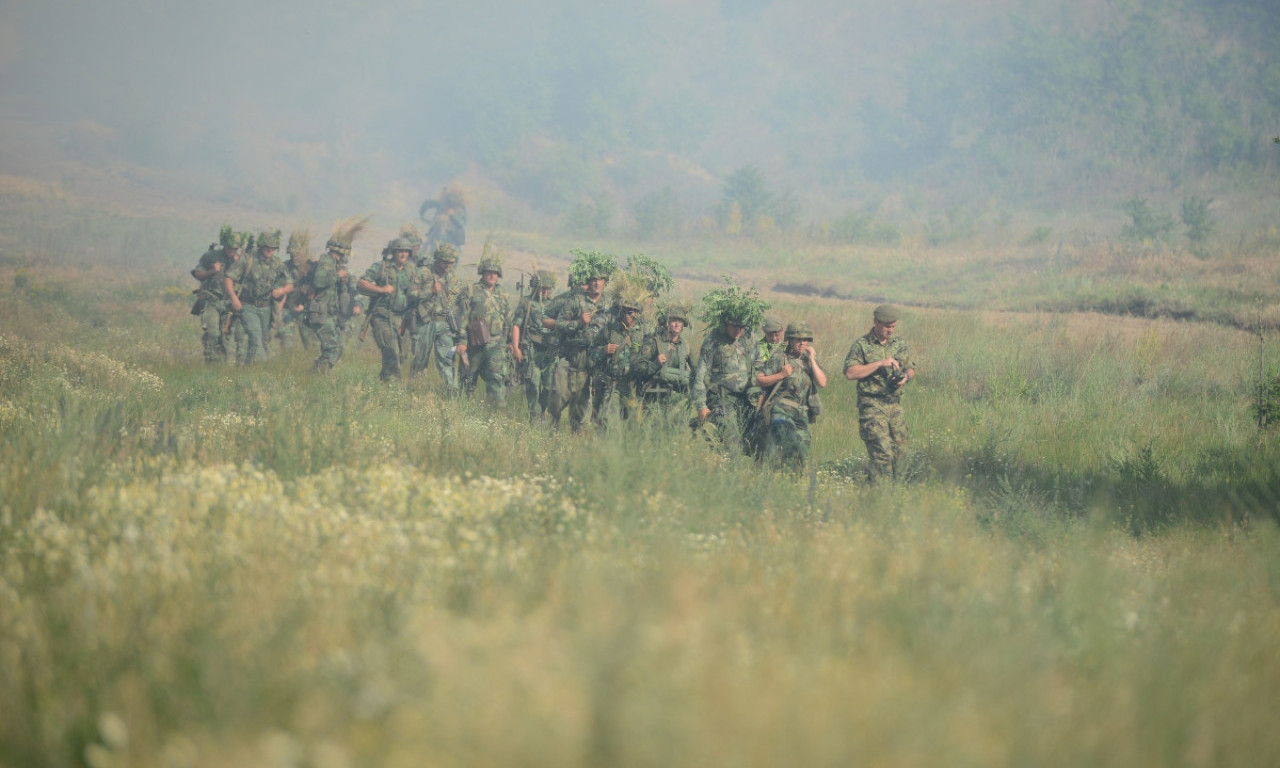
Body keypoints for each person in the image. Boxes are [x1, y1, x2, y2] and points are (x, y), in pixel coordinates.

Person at [843, 304, 915, 483]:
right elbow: (850, 373)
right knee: (881, 452)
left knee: (901, 452)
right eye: (886, 326)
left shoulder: (899, 345)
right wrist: (879, 363)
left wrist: (905, 377)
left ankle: (894, 491)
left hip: (894, 405)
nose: (890, 330)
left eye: (893, 326)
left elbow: (910, 368)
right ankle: (879, 494)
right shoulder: (862, 345)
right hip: (872, 405)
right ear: (875, 322)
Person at [545, 252, 616, 430]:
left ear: (605, 281)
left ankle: (577, 440)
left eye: (600, 279)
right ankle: (551, 429)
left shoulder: (610, 305)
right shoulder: (576, 301)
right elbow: (559, 324)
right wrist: (578, 323)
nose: (596, 283)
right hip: (571, 357)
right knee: (558, 397)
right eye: (593, 279)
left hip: (593, 360)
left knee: (581, 405)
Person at [297, 217, 368, 373]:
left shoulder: (335, 265)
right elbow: (319, 280)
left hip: (330, 314)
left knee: (339, 348)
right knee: (332, 350)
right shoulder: (326, 262)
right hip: (320, 312)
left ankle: (315, 373)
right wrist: (337, 275)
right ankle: (316, 376)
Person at [755, 322, 827, 471]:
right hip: (782, 409)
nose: (802, 343)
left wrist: (812, 359)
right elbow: (759, 380)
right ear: (790, 340)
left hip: (802, 413)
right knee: (791, 443)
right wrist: (781, 375)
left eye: (805, 340)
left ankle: (788, 481)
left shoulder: (809, 361)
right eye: (798, 340)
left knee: (802, 455)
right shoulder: (780, 358)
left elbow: (822, 382)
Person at [692, 306, 764, 455]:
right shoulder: (713, 341)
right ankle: (730, 472)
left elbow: (759, 363)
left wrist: (758, 392)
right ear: (725, 324)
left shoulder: (750, 338)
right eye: (734, 326)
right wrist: (701, 406)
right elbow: (700, 374)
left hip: (746, 399)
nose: (739, 330)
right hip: (722, 398)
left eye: (742, 326)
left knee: (753, 442)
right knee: (731, 442)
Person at [586, 275, 650, 429]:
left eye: (633, 311)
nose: (629, 315)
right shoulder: (609, 330)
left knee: (631, 422)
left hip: (632, 385)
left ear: (637, 313)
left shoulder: (644, 332)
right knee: (609, 419)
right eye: (626, 311)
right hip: (612, 383)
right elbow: (591, 355)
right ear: (621, 310)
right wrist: (603, 350)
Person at [224, 228, 291, 364]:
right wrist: (234, 298)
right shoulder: (247, 260)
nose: (270, 250)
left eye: (273, 248)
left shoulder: (277, 263)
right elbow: (228, 278)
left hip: (266, 308)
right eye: (267, 247)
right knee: (255, 337)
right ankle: (265, 368)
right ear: (261, 246)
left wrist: (282, 290)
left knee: (263, 341)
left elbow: (290, 283)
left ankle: (248, 370)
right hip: (248, 307)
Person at [454, 252, 512, 405]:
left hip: (496, 344)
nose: (491, 276)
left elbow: (508, 319)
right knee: (468, 377)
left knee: (496, 378)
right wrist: (462, 341)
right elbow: (463, 317)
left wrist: (510, 341)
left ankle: (496, 412)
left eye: (494, 273)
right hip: (475, 343)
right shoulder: (471, 291)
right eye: (488, 272)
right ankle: (462, 408)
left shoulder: (503, 294)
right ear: (482, 273)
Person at [358, 237, 418, 382]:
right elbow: (361, 283)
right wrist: (381, 289)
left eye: (405, 251)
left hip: (401, 318)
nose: (403, 255)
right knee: (392, 352)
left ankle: (384, 382)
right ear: (393, 252)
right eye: (400, 251)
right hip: (382, 316)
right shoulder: (382, 267)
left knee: (402, 355)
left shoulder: (410, 270)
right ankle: (392, 388)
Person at [409, 243, 462, 394]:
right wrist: (430, 291)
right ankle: (415, 392)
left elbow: (455, 299)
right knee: (420, 359)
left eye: (451, 262)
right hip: (424, 321)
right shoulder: (423, 272)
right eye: (445, 262)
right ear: (437, 260)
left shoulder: (453, 276)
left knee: (447, 357)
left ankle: (452, 391)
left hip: (444, 323)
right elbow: (411, 294)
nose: (448, 265)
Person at [633, 302, 694, 423]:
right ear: (667, 322)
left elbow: (696, 371)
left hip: (676, 400)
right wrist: (656, 363)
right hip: (654, 396)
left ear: (683, 325)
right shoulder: (654, 342)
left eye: (680, 321)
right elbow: (638, 367)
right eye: (673, 320)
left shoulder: (685, 346)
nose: (677, 324)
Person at [511, 270, 557, 422]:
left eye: (548, 288)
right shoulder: (527, 302)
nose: (545, 291)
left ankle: (542, 409)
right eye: (542, 288)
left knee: (550, 386)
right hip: (531, 350)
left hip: (549, 351)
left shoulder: (555, 304)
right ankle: (535, 417)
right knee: (533, 384)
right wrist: (516, 348)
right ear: (535, 287)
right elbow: (516, 325)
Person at [190, 225, 241, 363]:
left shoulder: (239, 261)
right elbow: (197, 274)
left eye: (236, 249)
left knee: (225, 336)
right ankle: (211, 362)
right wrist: (212, 271)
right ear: (224, 245)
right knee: (212, 333)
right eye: (230, 248)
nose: (232, 251)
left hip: (229, 304)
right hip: (211, 301)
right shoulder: (211, 256)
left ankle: (223, 365)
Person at [278, 230, 317, 351]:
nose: (294, 256)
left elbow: (317, 289)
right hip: (288, 309)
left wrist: (305, 306)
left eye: (297, 254)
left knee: (310, 344)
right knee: (286, 342)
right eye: (292, 254)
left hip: (307, 310)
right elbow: (279, 288)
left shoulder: (312, 268)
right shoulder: (284, 267)